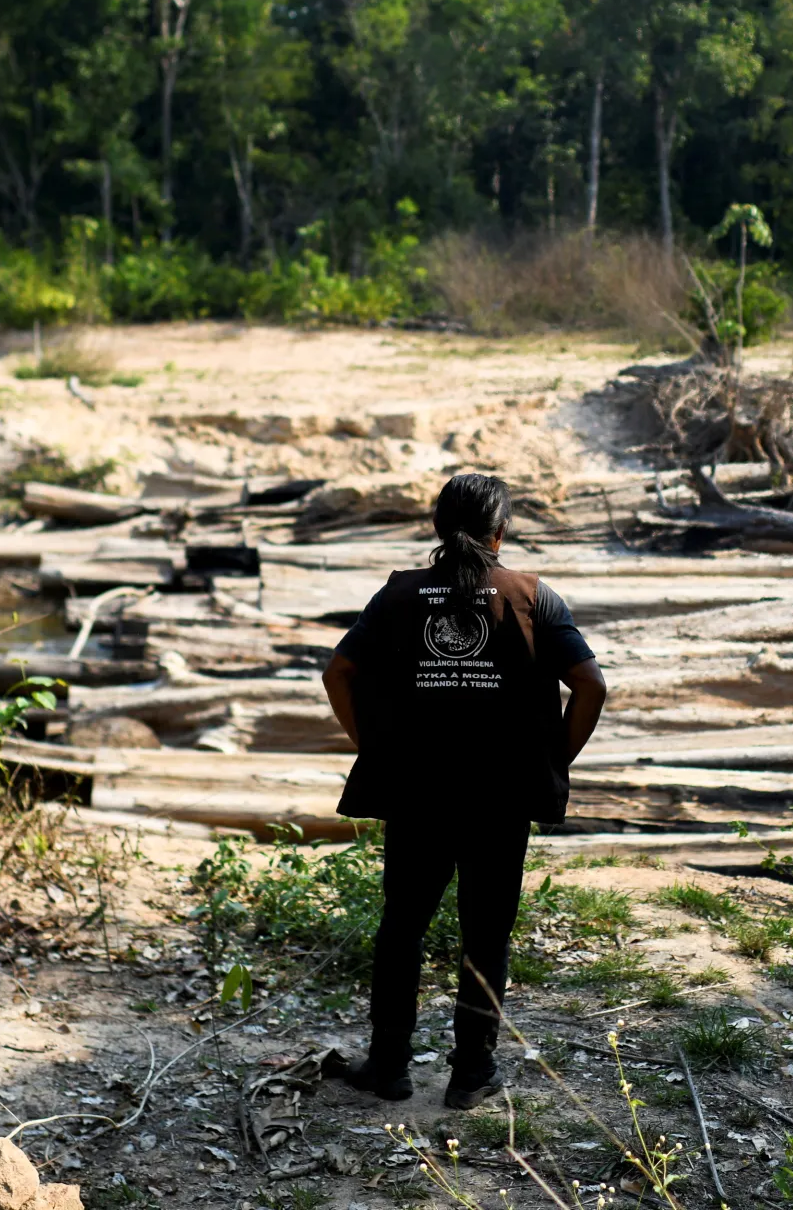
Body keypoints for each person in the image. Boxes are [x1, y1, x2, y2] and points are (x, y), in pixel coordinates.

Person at [318, 473, 608, 1110]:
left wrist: (371, 745)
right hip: (500, 798)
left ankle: (389, 1067)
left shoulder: (400, 595)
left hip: (417, 792)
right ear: (500, 532)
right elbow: (590, 686)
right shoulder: (532, 597)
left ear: (436, 529)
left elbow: (338, 671)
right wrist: (552, 761)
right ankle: (471, 1073)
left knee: (402, 927)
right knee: (487, 933)